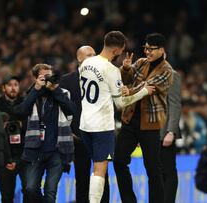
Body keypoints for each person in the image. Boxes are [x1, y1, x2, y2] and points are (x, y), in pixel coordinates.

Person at [78, 31, 155, 203]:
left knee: (94, 167)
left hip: (84, 124)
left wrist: (122, 90)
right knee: (100, 170)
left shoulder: (85, 63)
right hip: (101, 127)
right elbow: (121, 104)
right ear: (116, 50)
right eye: (121, 51)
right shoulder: (112, 70)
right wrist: (143, 92)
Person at [113, 33, 173, 203]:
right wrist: (125, 68)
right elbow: (128, 79)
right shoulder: (140, 63)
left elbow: (148, 87)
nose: (147, 52)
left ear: (161, 50)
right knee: (119, 161)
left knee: (153, 169)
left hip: (151, 126)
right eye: (145, 48)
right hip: (130, 121)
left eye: (151, 49)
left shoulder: (167, 70)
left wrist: (128, 90)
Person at [15, 63, 76, 203]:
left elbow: (72, 109)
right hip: (35, 151)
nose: (48, 79)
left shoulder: (62, 93)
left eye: (50, 76)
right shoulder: (32, 94)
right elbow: (22, 111)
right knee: (30, 188)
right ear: (36, 78)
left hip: (58, 150)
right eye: (44, 77)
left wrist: (55, 90)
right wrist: (36, 89)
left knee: (50, 191)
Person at [60, 45, 109, 203]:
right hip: (78, 137)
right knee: (82, 178)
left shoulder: (103, 78)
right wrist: (67, 130)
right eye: (89, 55)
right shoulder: (66, 81)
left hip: (99, 135)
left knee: (102, 178)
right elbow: (61, 109)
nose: (94, 57)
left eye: (95, 54)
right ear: (79, 58)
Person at [0, 75, 28, 203]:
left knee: (30, 190)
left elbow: (35, 123)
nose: (13, 88)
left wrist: (22, 124)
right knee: (6, 196)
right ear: (3, 88)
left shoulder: (26, 103)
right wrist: (0, 126)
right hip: (5, 156)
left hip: (24, 154)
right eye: (10, 85)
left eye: (16, 85)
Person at [159, 67, 181, 203]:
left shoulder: (171, 75)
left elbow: (175, 104)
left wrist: (171, 131)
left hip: (164, 131)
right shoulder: (146, 73)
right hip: (149, 131)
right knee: (155, 172)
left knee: (168, 170)